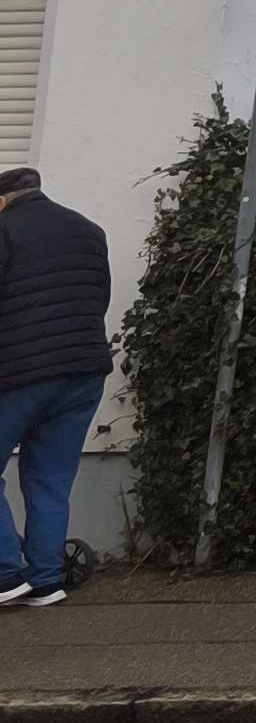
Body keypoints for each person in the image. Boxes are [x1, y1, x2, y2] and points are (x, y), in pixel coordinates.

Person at [0, 166, 111, 608]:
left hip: (19, 374)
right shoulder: (89, 230)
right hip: (83, 372)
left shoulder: (3, 230)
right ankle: (45, 581)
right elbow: (97, 296)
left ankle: (6, 575)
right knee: (49, 479)